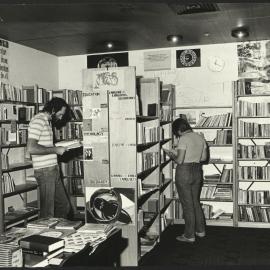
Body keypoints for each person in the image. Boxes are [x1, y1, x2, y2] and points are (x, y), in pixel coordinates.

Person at [163, 118, 208, 243]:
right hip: (197, 171)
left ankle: (189, 235)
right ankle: (201, 231)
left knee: (187, 205)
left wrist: (171, 154)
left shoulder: (183, 139)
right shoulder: (200, 137)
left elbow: (179, 160)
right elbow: (204, 158)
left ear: (178, 130)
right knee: (195, 202)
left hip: (184, 172)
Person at [26, 97, 71, 219]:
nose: (61, 118)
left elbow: (44, 146)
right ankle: (46, 236)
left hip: (52, 170)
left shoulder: (47, 121)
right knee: (47, 214)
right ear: (53, 110)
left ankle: (57, 234)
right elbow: (31, 148)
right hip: (45, 172)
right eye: (60, 114)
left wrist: (58, 147)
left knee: (64, 206)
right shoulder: (38, 121)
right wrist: (55, 150)